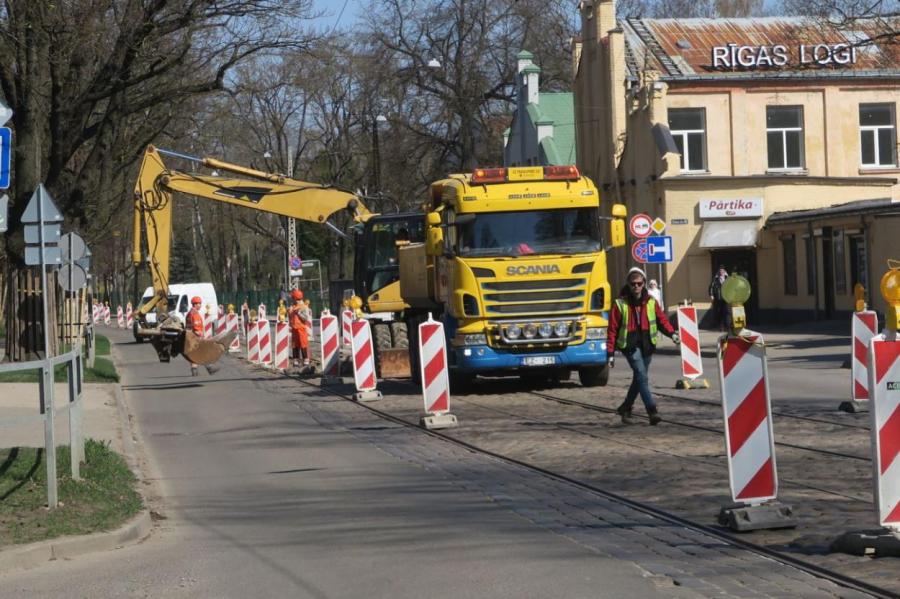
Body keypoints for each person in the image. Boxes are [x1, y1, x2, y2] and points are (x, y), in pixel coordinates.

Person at [606, 267, 680, 425]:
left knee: (639, 379)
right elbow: (612, 329)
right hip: (629, 345)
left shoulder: (651, 302)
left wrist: (672, 334)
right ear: (628, 284)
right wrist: (610, 353)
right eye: (633, 284)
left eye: (639, 283)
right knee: (641, 376)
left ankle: (626, 407)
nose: (636, 287)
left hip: (647, 344)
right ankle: (652, 411)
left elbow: (662, 321)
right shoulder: (620, 304)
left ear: (644, 283)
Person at [288, 289, 310, 368]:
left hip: (301, 329)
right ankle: (295, 360)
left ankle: (306, 360)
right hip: (294, 329)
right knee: (295, 345)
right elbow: (291, 318)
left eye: (293, 298)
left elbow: (306, 318)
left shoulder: (303, 307)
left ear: (295, 298)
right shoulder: (293, 306)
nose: (292, 299)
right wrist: (289, 312)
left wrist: (299, 313)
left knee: (303, 344)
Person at [185, 296, 205, 377]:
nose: (200, 305)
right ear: (195, 304)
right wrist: (200, 336)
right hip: (194, 336)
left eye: (200, 303)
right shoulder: (195, 314)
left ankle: (194, 369)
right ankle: (209, 367)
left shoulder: (189, 313)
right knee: (202, 352)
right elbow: (197, 327)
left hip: (189, 336)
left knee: (194, 353)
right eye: (199, 304)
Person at [708, 265, 729, 331]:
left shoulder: (727, 278)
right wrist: (711, 295)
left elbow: (731, 287)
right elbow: (711, 287)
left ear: (724, 271)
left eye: (722, 270)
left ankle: (726, 326)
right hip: (718, 298)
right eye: (720, 270)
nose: (721, 272)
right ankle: (721, 326)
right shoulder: (715, 279)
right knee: (719, 312)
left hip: (725, 298)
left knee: (725, 312)